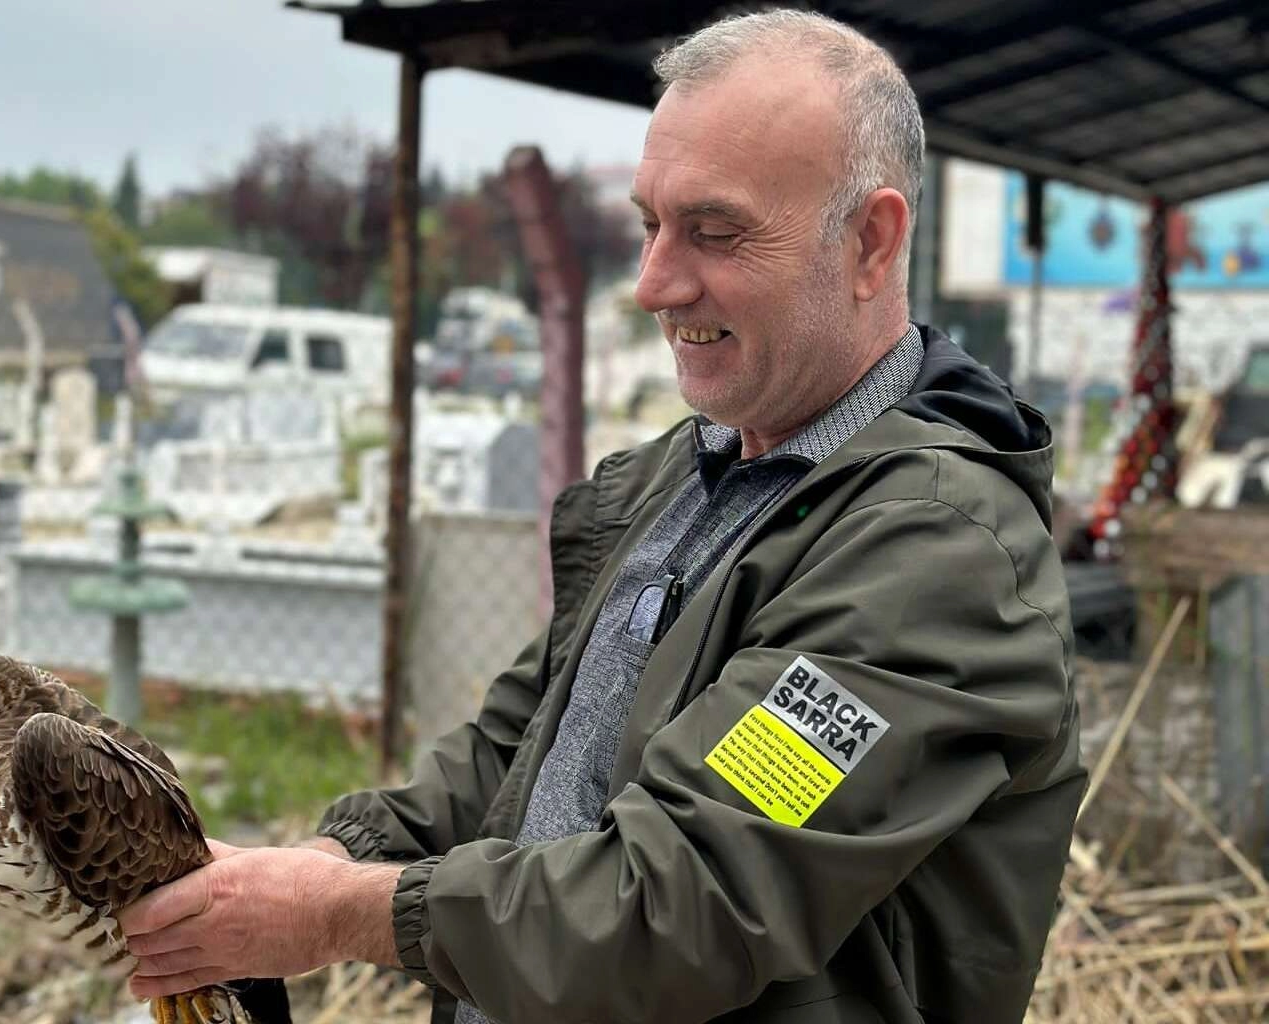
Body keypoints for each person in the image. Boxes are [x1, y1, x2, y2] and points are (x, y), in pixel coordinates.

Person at [117, 10, 1085, 1023]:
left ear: (871, 241)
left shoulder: (935, 555)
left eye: (714, 231)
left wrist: (339, 914)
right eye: (648, 225)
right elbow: (512, 750)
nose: (654, 284)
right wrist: (320, 860)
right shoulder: (685, 475)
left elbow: (681, 907)